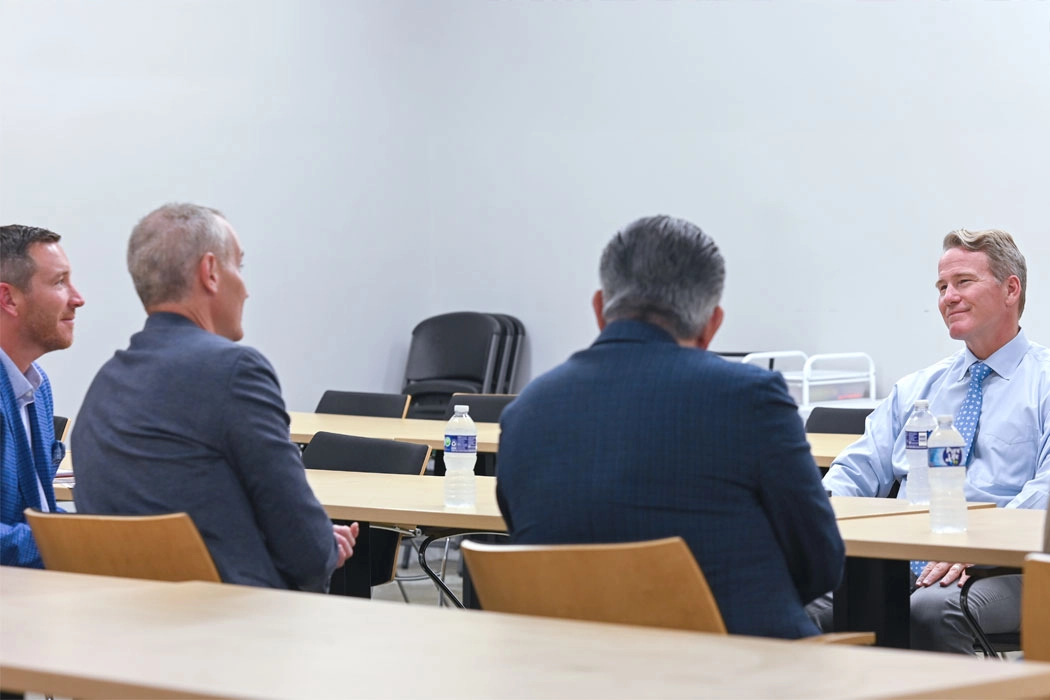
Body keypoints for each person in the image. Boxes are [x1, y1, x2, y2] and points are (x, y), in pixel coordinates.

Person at [495, 215, 845, 639]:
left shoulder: (525, 411)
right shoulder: (750, 397)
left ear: (599, 309)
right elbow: (820, 562)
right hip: (741, 671)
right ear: (711, 324)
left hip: (576, 669)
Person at [73, 203, 356, 591]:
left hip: (127, 630)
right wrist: (325, 547)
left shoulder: (105, 382)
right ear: (210, 272)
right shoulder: (235, 370)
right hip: (234, 629)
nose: (246, 288)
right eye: (239, 266)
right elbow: (304, 549)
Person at [821, 228, 1049, 653]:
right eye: (942, 287)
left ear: (1010, 289)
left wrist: (978, 547)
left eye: (963, 282)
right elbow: (857, 467)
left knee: (931, 609)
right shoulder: (919, 389)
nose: (948, 297)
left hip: (1009, 566)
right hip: (904, 559)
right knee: (798, 598)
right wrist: (808, 520)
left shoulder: (1044, 384)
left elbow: (1047, 489)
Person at [1, 225, 85, 567]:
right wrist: (78, 543)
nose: (77, 298)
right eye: (59, 282)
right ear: (8, 299)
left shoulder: (38, 386)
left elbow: (40, 511)